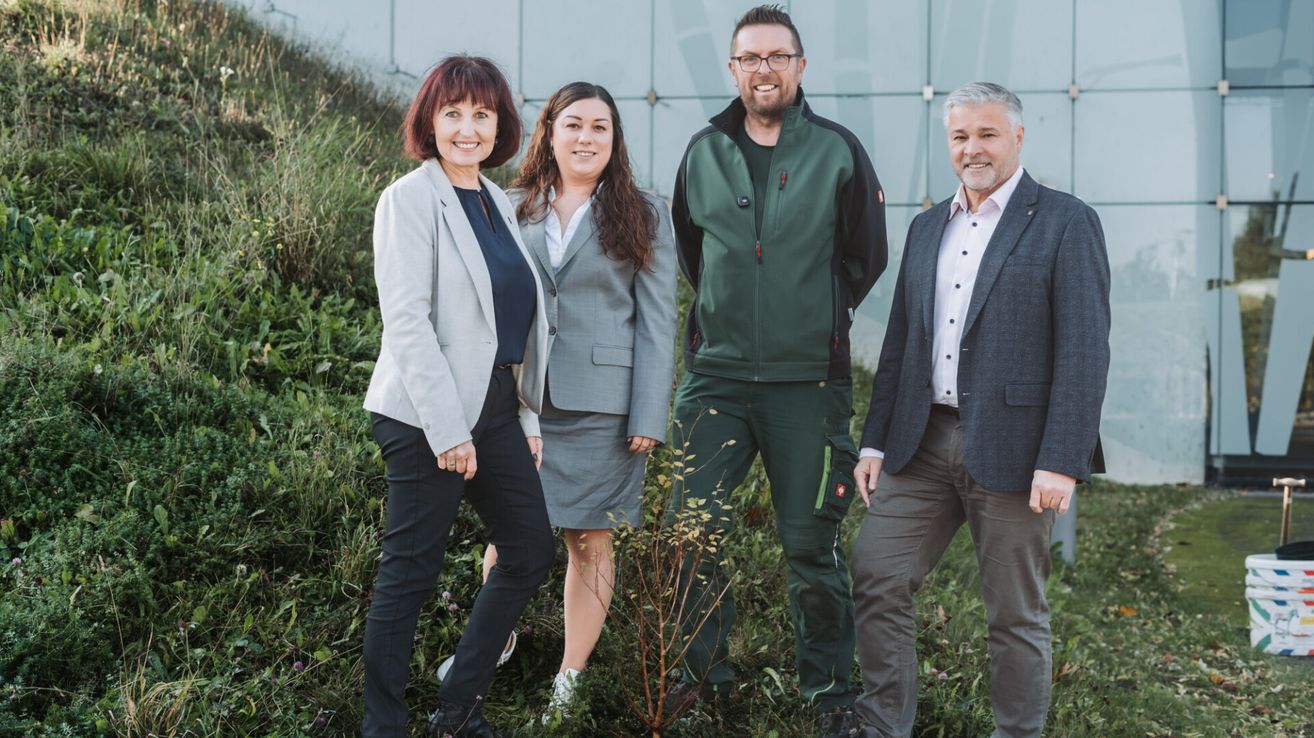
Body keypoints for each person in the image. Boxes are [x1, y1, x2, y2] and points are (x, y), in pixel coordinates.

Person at [850, 82, 1110, 738]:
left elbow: (1085, 349)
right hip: (921, 441)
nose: (974, 148)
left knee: (1013, 614)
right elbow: (902, 343)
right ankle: (885, 726)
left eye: (987, 134)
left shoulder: (1064, 220)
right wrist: (875, 442)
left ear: (1017, 137)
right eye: (961, 136)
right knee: (877, 574)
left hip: (1019, 453)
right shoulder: (924, 226)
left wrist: (1062, 459)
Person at [664, 5, 888, 736]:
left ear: (799, 65)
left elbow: (865, 257)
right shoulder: (702, 151)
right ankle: (700, 681)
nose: (763, 69)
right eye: (749, 57)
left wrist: (808, 318)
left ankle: (830, 694)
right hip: (718, 382)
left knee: (810, 543)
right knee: (692, 530)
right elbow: (695, 253)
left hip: (808, 386)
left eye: (777, 56)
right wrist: (734, 319)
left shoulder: (839, 151)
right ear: (734, 70)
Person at [446, 81, 678, 723]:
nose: (586, 137)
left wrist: (649, 414)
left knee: (589, 541)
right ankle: (491, 646)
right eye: (573, 124)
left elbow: (659, 322)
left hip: (605, 409)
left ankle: (569, 680)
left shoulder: (645, 214)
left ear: (614, 138)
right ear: (550, 131)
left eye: (600, 126)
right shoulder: (505, 204)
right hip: (518, 399)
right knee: (507, 532)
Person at [359, 54, 553, 738]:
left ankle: (456, 708)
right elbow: (407, 322)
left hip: (495, 407)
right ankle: (382, 726)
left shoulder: (498, 203)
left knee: (529, 548)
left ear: (499, 125)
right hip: (423, 414)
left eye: (482, 114)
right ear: (430, 121)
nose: (468, 129)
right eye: (453, 114)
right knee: (410, 575)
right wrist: (447, 430)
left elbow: (512, 320)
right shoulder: (408, 199)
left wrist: (526, 414)